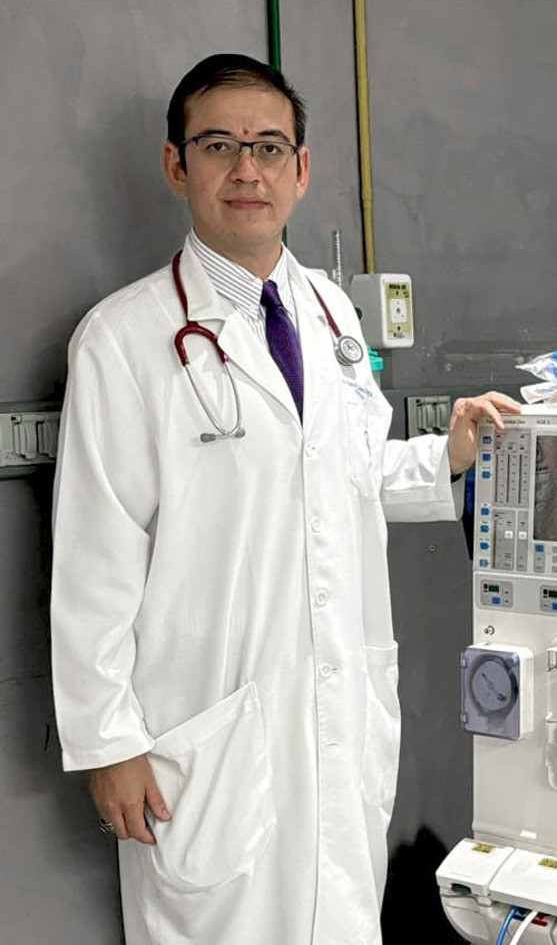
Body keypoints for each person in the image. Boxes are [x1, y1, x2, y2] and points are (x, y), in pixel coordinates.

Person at [49, 53, 520, 945]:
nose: (246, 169)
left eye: (268, 147)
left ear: (301, 170)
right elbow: (94, 556)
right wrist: (108, 742)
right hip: (209, 727)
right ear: (176, 165)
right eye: (217, 145)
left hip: (334, 715)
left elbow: (342, 474)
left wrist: (445, 457)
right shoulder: (123, 339)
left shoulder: (331, 314)